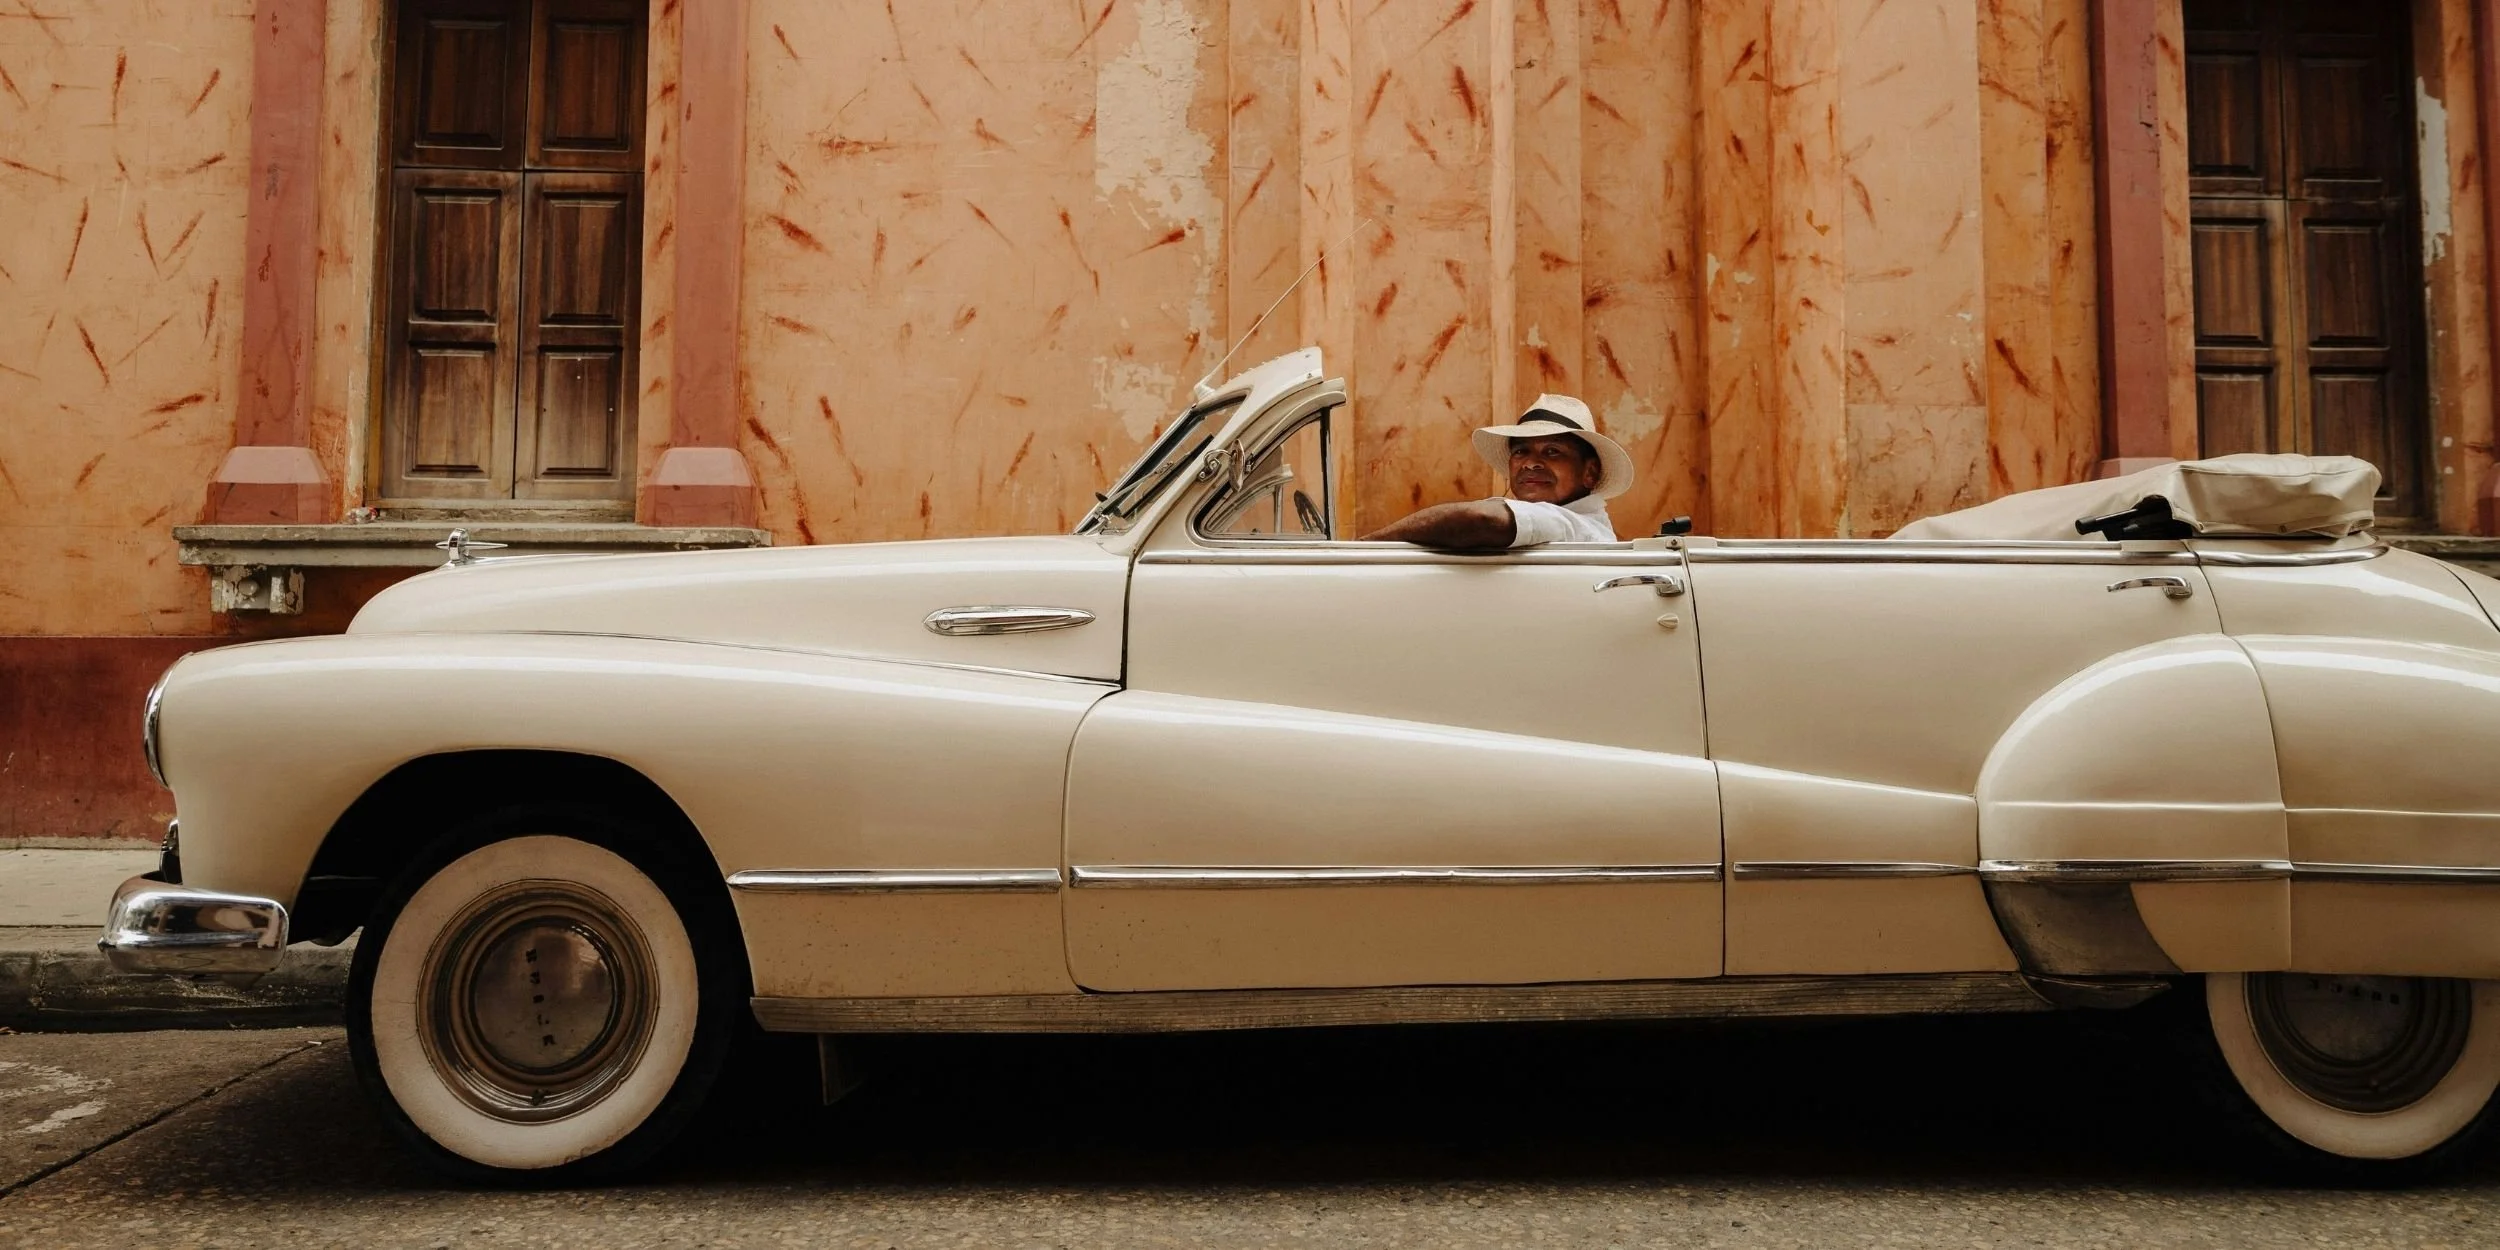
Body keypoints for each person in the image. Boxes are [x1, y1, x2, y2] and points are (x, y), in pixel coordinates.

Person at [1358, 395, 1633, 548]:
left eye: (1552, 451)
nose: (1530, 463)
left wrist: (1366, 547)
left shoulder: (1573, 525)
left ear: (1590, 473)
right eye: (1520, 451)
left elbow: (1479, 519)